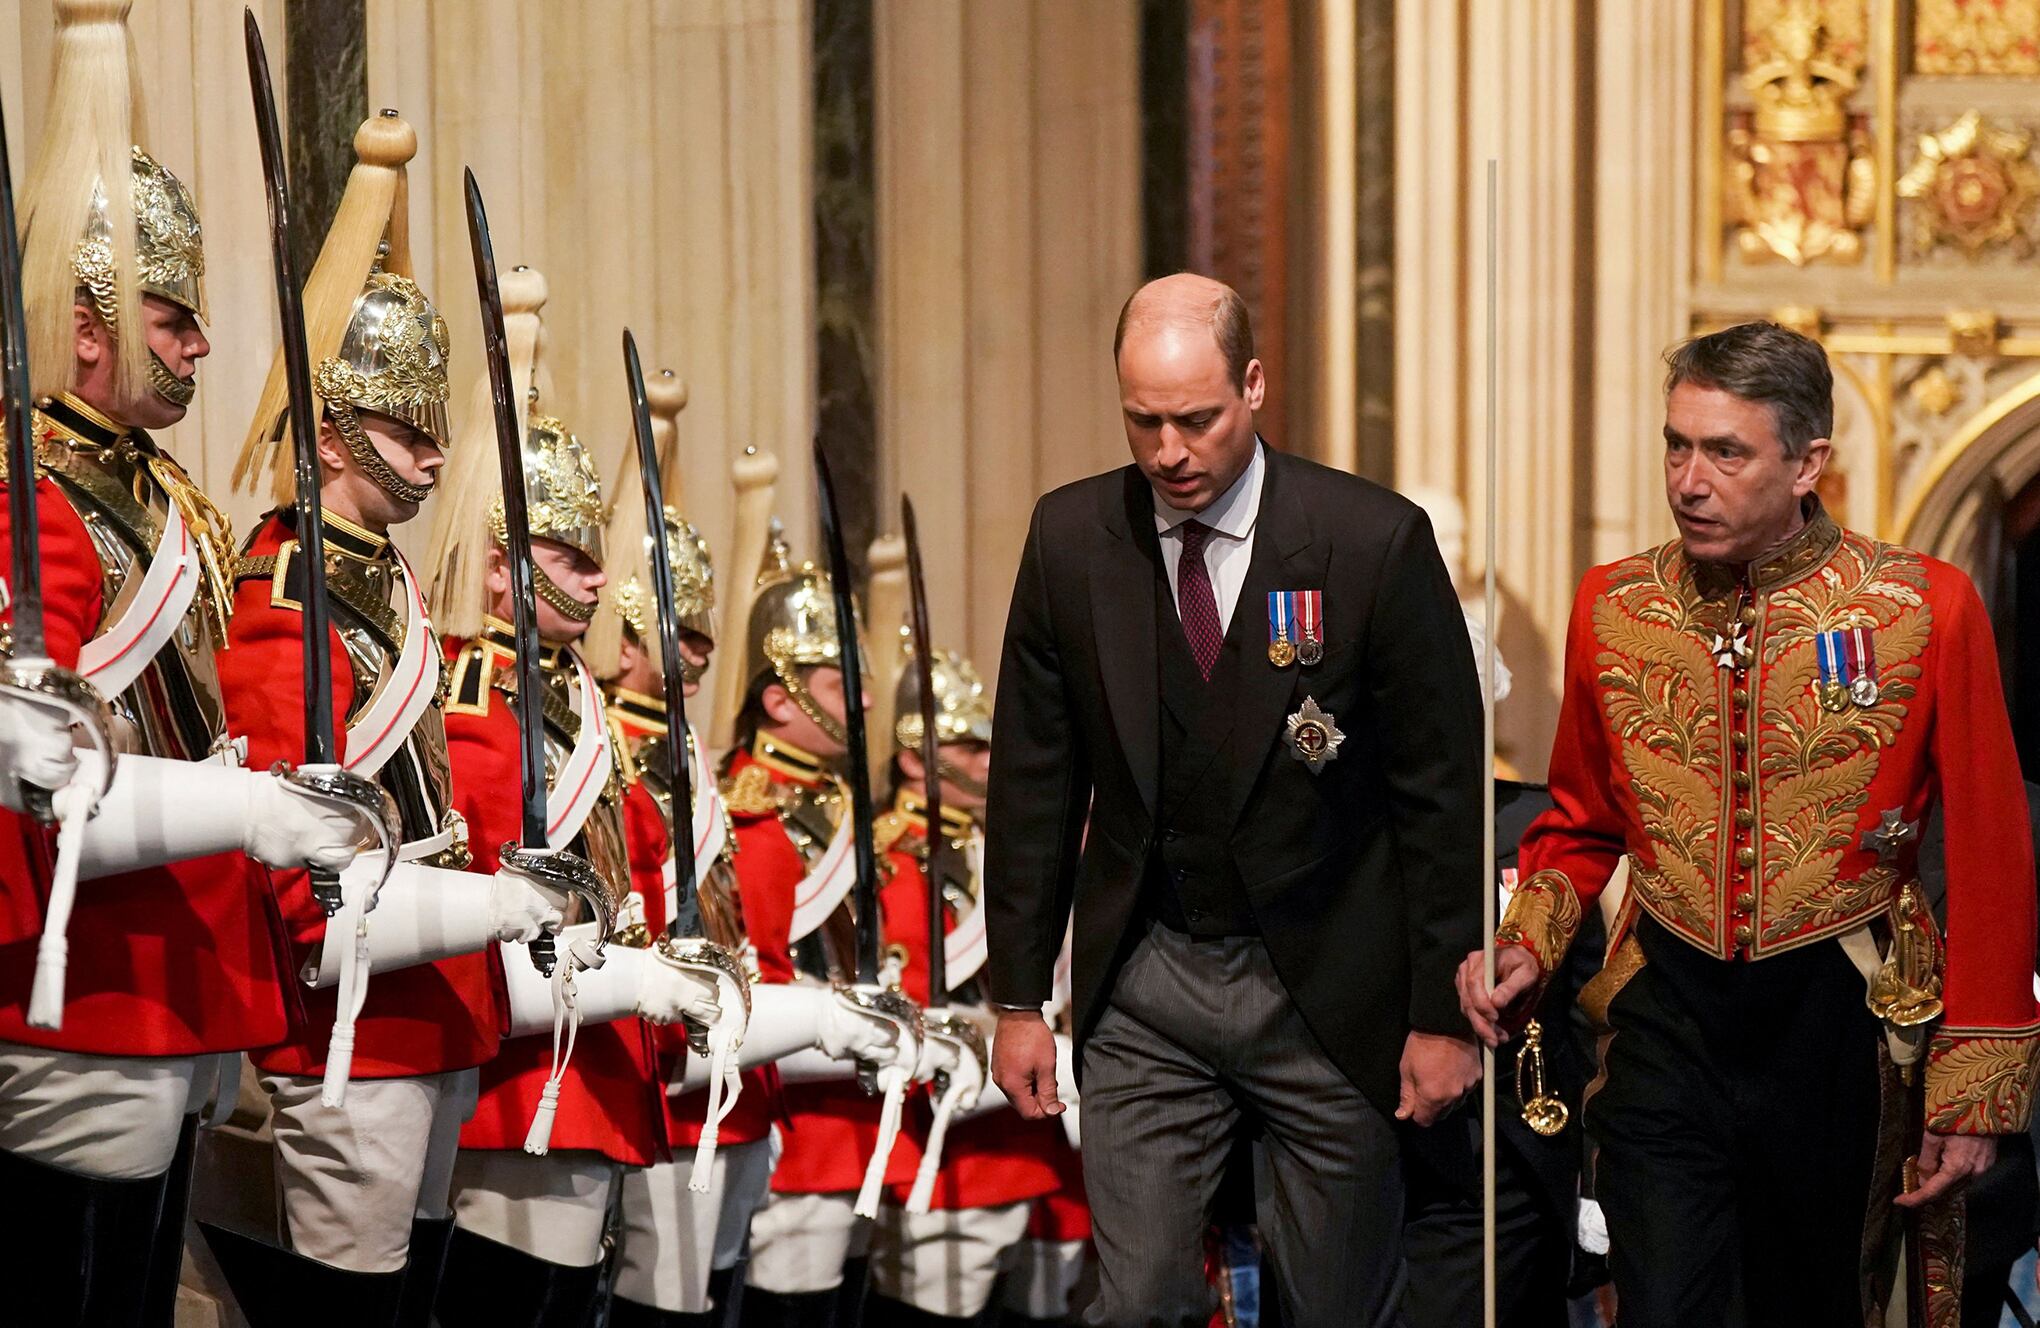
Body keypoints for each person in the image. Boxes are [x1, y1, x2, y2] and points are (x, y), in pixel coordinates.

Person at [1458, 320, 2040, 1327]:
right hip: (1664, 1023)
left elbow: (1992, 854)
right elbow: (1580, 821)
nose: (1689, 478)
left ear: (1808, 460)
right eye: (1678, 445)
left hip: (1840, 1031)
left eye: (1726, 451)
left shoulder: (1925, 608)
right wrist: (1525, 942)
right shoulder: (1614, 605)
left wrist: (1971, 1097)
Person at [983, 272, 1485, 1326]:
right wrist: (1019, 997)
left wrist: (1445, 1013)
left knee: (1335, 1302)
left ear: (1254, 386)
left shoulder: (1370, 541)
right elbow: (1034, 779)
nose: (1170, 451)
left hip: (1330, 984)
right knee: (1139, 1300)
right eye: (1144, 421)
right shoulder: (1071, 538)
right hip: (1147, 977)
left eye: (1197, 419)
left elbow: (1438, 794)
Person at [0, 4, 373, 1321]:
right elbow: (41, 775)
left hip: (183, 977)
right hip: (85, 974)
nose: (201, 344)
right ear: (88, 324)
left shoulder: (179, 509)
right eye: (174, 317)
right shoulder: (32, 494)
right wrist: (260, 809)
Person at [203, 112, 569, 1323]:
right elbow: (303, 879)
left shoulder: (382, 583)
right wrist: (489, 902)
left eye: (432, 432)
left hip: (436, 1011)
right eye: (407, 433)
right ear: (329, 432)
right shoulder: (288, 595)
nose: (431, 460)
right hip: (354, 1026)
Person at [422, 267, 719, 1323]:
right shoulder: (472, 706)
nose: (596, 580)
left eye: (597, 559)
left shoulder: (580, 708)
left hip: (598, 1072)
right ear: (500, 569)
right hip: (522, 1085)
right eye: (567, 555)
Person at [594, 372, 777, 1327]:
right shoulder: (614, 745)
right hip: (635, 1054)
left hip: (704, 1066)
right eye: (683, 635)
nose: (700, 658)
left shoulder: (683, 754)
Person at [719, 527, 927, 1326]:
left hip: (855, 1112)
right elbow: (761, 969)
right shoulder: (751, 808)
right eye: (846, 684)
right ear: (780, 699)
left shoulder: (841, 810)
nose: (870, 701)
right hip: (797, 1120)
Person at [867, 642, 1066, 1325]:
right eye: (966, 746)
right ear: (915, 760)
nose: (988, 760)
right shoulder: (890, 862)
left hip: (1028, 1136)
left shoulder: (996, 853)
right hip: (947, 1148)